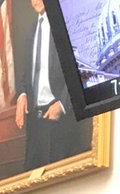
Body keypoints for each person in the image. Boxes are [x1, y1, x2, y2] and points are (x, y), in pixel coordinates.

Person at [14, 0, 91, 169]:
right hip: (36, 124)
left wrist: (62, 104)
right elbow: (24, 74)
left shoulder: (68, 24)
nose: (36, 1)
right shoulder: (30, 33)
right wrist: (22, 94)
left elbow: (82, 69)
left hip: (63, 120)